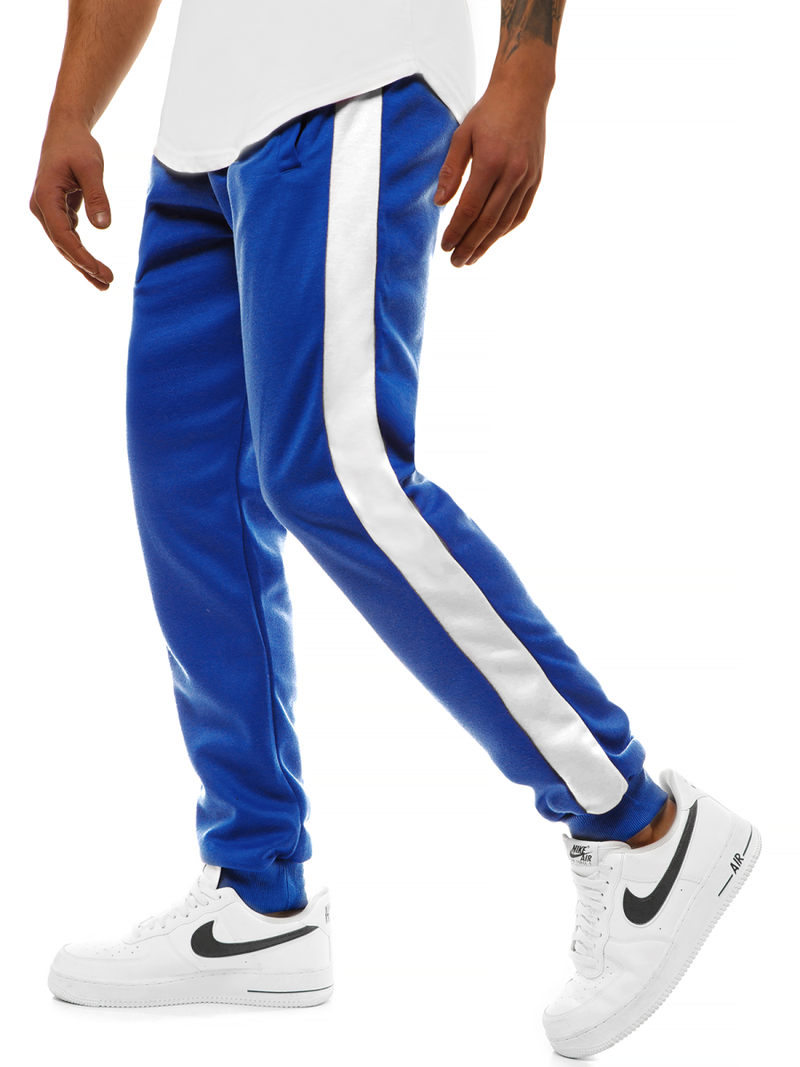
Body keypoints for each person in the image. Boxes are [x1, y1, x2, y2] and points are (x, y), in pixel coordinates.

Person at [30, 0, 760, 1056]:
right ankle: (255, 892)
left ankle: (639, 823)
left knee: (337, 470)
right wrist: (72, 108)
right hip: (199, 133)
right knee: (187, 488)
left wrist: (528, 68)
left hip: (351, 69)